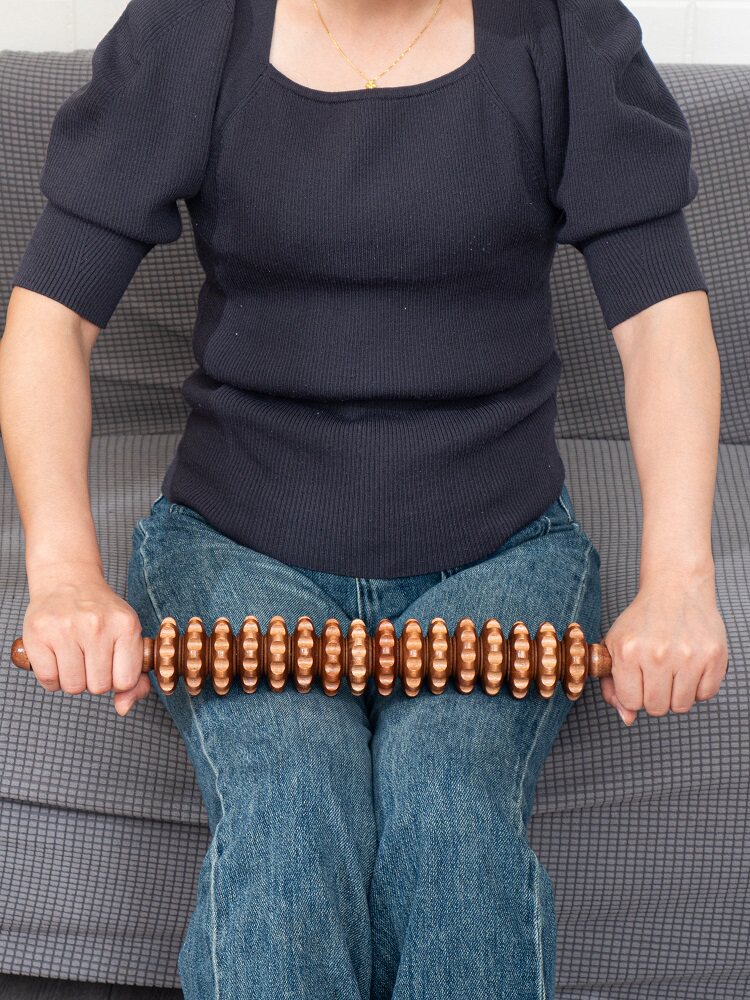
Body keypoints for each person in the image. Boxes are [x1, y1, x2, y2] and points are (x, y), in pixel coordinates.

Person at [0, 0, 728, 997]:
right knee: (291, 802)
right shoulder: (192, 27)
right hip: (236, 544)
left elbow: (660, 322)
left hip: (499, 551)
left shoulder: (564, 28)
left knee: (451, 805)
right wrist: (63, 573)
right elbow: (50, 319)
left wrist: (681, 578)